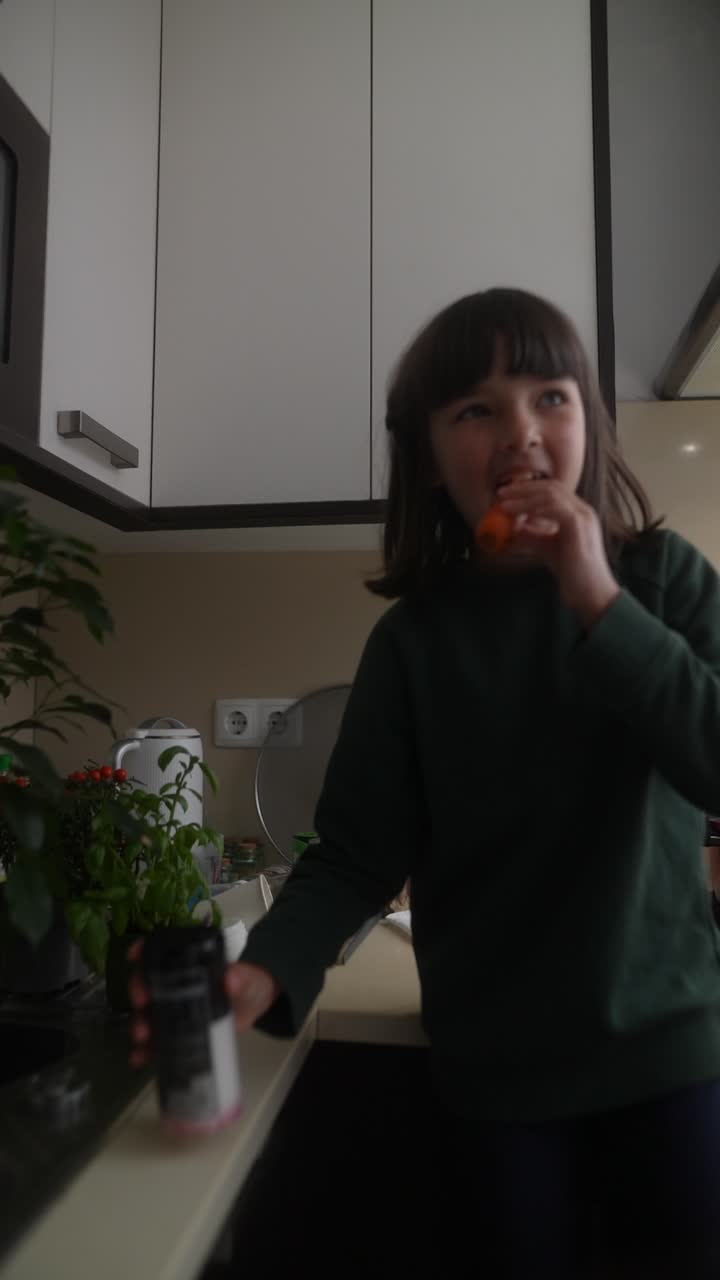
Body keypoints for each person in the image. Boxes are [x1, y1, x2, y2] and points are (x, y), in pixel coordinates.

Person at [131, 288, 720, 1278]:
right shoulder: (413, 643)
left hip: (675, 1058)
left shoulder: (663, 580)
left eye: (550, 397)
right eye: (476, 409)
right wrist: (262, 970)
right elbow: (353, 857)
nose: (521, 431)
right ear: (429, 458)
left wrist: (599, 600)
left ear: (588, 422)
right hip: (498, 1084)